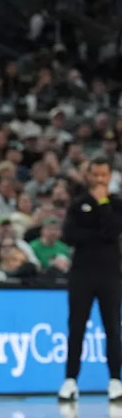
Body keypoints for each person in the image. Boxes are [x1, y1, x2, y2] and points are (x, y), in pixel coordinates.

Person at [59, 157, 122, 402]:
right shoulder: (78, 204)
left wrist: (102, 204)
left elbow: (114, 229)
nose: (99, 180)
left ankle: (115, 380)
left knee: (112, 327)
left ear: (110, 177)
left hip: (110, 274)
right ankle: (70, 380)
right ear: (88, 176)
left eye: (103, 175)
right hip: (81, 274)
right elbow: (69, 235)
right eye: (95, 175)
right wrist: (99, 235)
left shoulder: (115, 204)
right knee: (76, 327)